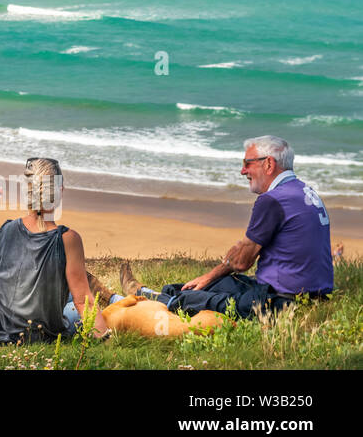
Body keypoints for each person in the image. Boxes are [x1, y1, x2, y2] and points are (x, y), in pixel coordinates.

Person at [121, 136, 332, 317]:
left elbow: (241, 262)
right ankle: (149, 293)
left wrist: (237, 251)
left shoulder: (272, 200)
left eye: (247, 163)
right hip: (311, 294)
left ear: (268, 164)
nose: (242, 171)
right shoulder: (305, 191)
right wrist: (210, 276)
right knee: (204, 285)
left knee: (194, 299)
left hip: (279, 301)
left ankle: (138, 301)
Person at [0, 158, 115, 344]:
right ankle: (120, 299)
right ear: (60, 192)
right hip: (36, 335)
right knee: (72, 307)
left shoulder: (6, 229)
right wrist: (105, 339)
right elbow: (83, 301)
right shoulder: (68, 239)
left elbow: (8, 283)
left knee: (60, 294)